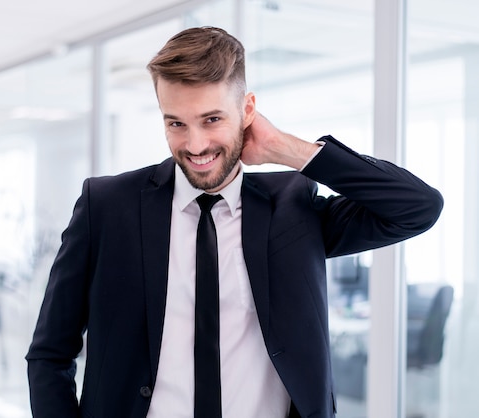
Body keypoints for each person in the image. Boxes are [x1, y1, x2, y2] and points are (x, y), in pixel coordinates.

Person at [26, 26, 443, 418]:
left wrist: (287, 149)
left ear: (247, 110)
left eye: (212, 119)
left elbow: (417, 207)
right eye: (176, 123)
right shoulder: (107, 206)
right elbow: (50, 353)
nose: (195, 145)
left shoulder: (293, 208)